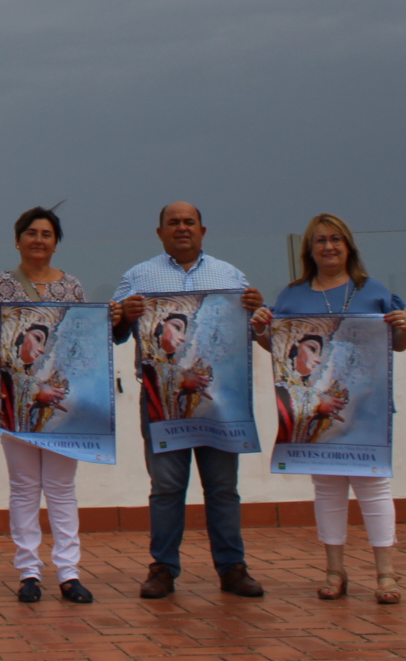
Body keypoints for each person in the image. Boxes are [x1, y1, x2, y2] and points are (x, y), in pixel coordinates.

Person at [251, 213, 406, 604]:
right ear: (309, 249)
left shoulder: (373, 291)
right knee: (327, 490)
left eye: (336, 239)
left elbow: (399, 344)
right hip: (313, 413)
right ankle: (334, 570)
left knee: (374, 488)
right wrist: (262, 328)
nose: (328, 247)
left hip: (367, 413)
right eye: (320, 240)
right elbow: (278, 350)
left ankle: (386, 574)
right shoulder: (292, 296)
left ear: (349, 246)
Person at [109, 201, 269, 600]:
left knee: (223, 489)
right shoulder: (137, 277)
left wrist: (256, 311)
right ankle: (162, 568)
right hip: (162, 403)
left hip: (220, 404)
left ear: (203, 230)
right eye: (173, 223)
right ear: (160, 232)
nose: (182, 228)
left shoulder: (230, 276)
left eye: (189, 222)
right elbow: (112, 333)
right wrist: (123, 316)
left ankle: (232, 568)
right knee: (165, 488)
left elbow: (252, 333)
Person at [0, 205, 95, 605]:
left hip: (60, 407)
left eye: (47, 234)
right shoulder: (1, 286)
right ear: (18, 240)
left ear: (56, 243)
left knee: (60, 489)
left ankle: (69, 573)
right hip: (13, 403)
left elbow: (81, 345)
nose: (39, 240)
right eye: (31, 233)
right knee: (23, 488)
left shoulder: (71, 288)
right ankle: (29, 572)